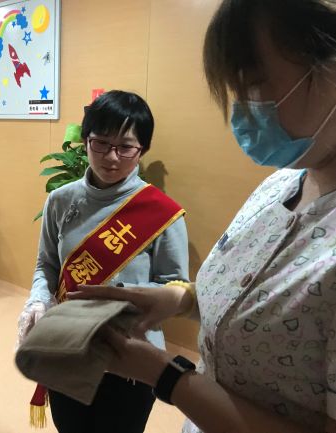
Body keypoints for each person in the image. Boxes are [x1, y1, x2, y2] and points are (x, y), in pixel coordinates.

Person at [69, 1, 336, 433]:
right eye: (235, 92)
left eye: (255, 85)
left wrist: (166, 375)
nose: (242, 113)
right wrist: (181, 300)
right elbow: (249, 297)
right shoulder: (278, 186)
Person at [17, 90, 190, 433]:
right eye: (101, 143)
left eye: (126, 147)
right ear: (85, 141)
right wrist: (37, 300)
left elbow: (176, 288)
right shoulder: (60, 201)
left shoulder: (162, 213)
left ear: (143, 149)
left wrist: (119, 296)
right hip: (69, 346)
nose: (112, 157)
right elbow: (46, 265)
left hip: (131, 355)